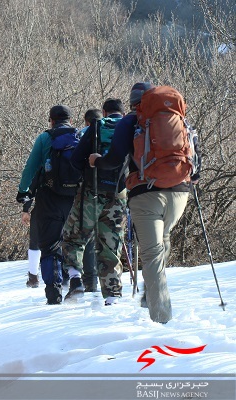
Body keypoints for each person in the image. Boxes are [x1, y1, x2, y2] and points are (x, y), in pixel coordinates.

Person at [89, 83, 201, 323]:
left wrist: (97, 161)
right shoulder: (178, 118)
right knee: (163, 242)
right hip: (180, 193)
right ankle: (151, 292)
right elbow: (196, 161)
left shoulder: (131, 121)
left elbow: (115, 159)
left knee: (151, 256)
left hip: (146, 193)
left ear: (133, 103)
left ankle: (161, 319)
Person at [63, 99, 127, 305]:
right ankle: (112, 296)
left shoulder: (98, 127)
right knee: (110, 247)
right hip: (118, 196)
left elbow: (75, 160)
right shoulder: (131, 128)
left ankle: (75, 282)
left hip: (91, 194)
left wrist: (88, 173)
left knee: (74, 238)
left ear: (105, 112)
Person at [16, 105, 79, 305]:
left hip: (48, 198)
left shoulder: (45, 138)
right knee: (75, 243)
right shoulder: (80, 136)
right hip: (74, 199)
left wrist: (23, 191)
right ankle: (77, 281)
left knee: (50, 246)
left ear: (51, 120)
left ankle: (54, 293)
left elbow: (31, 167)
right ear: (71, 119)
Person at [77, 109, 102, 292]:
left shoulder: (83, 134)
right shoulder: (115, 132)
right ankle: (108, 285)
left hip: (88, 191)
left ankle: (90, 282)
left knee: (85, 237)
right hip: (114, 191)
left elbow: (75, 160)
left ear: (87, 122)